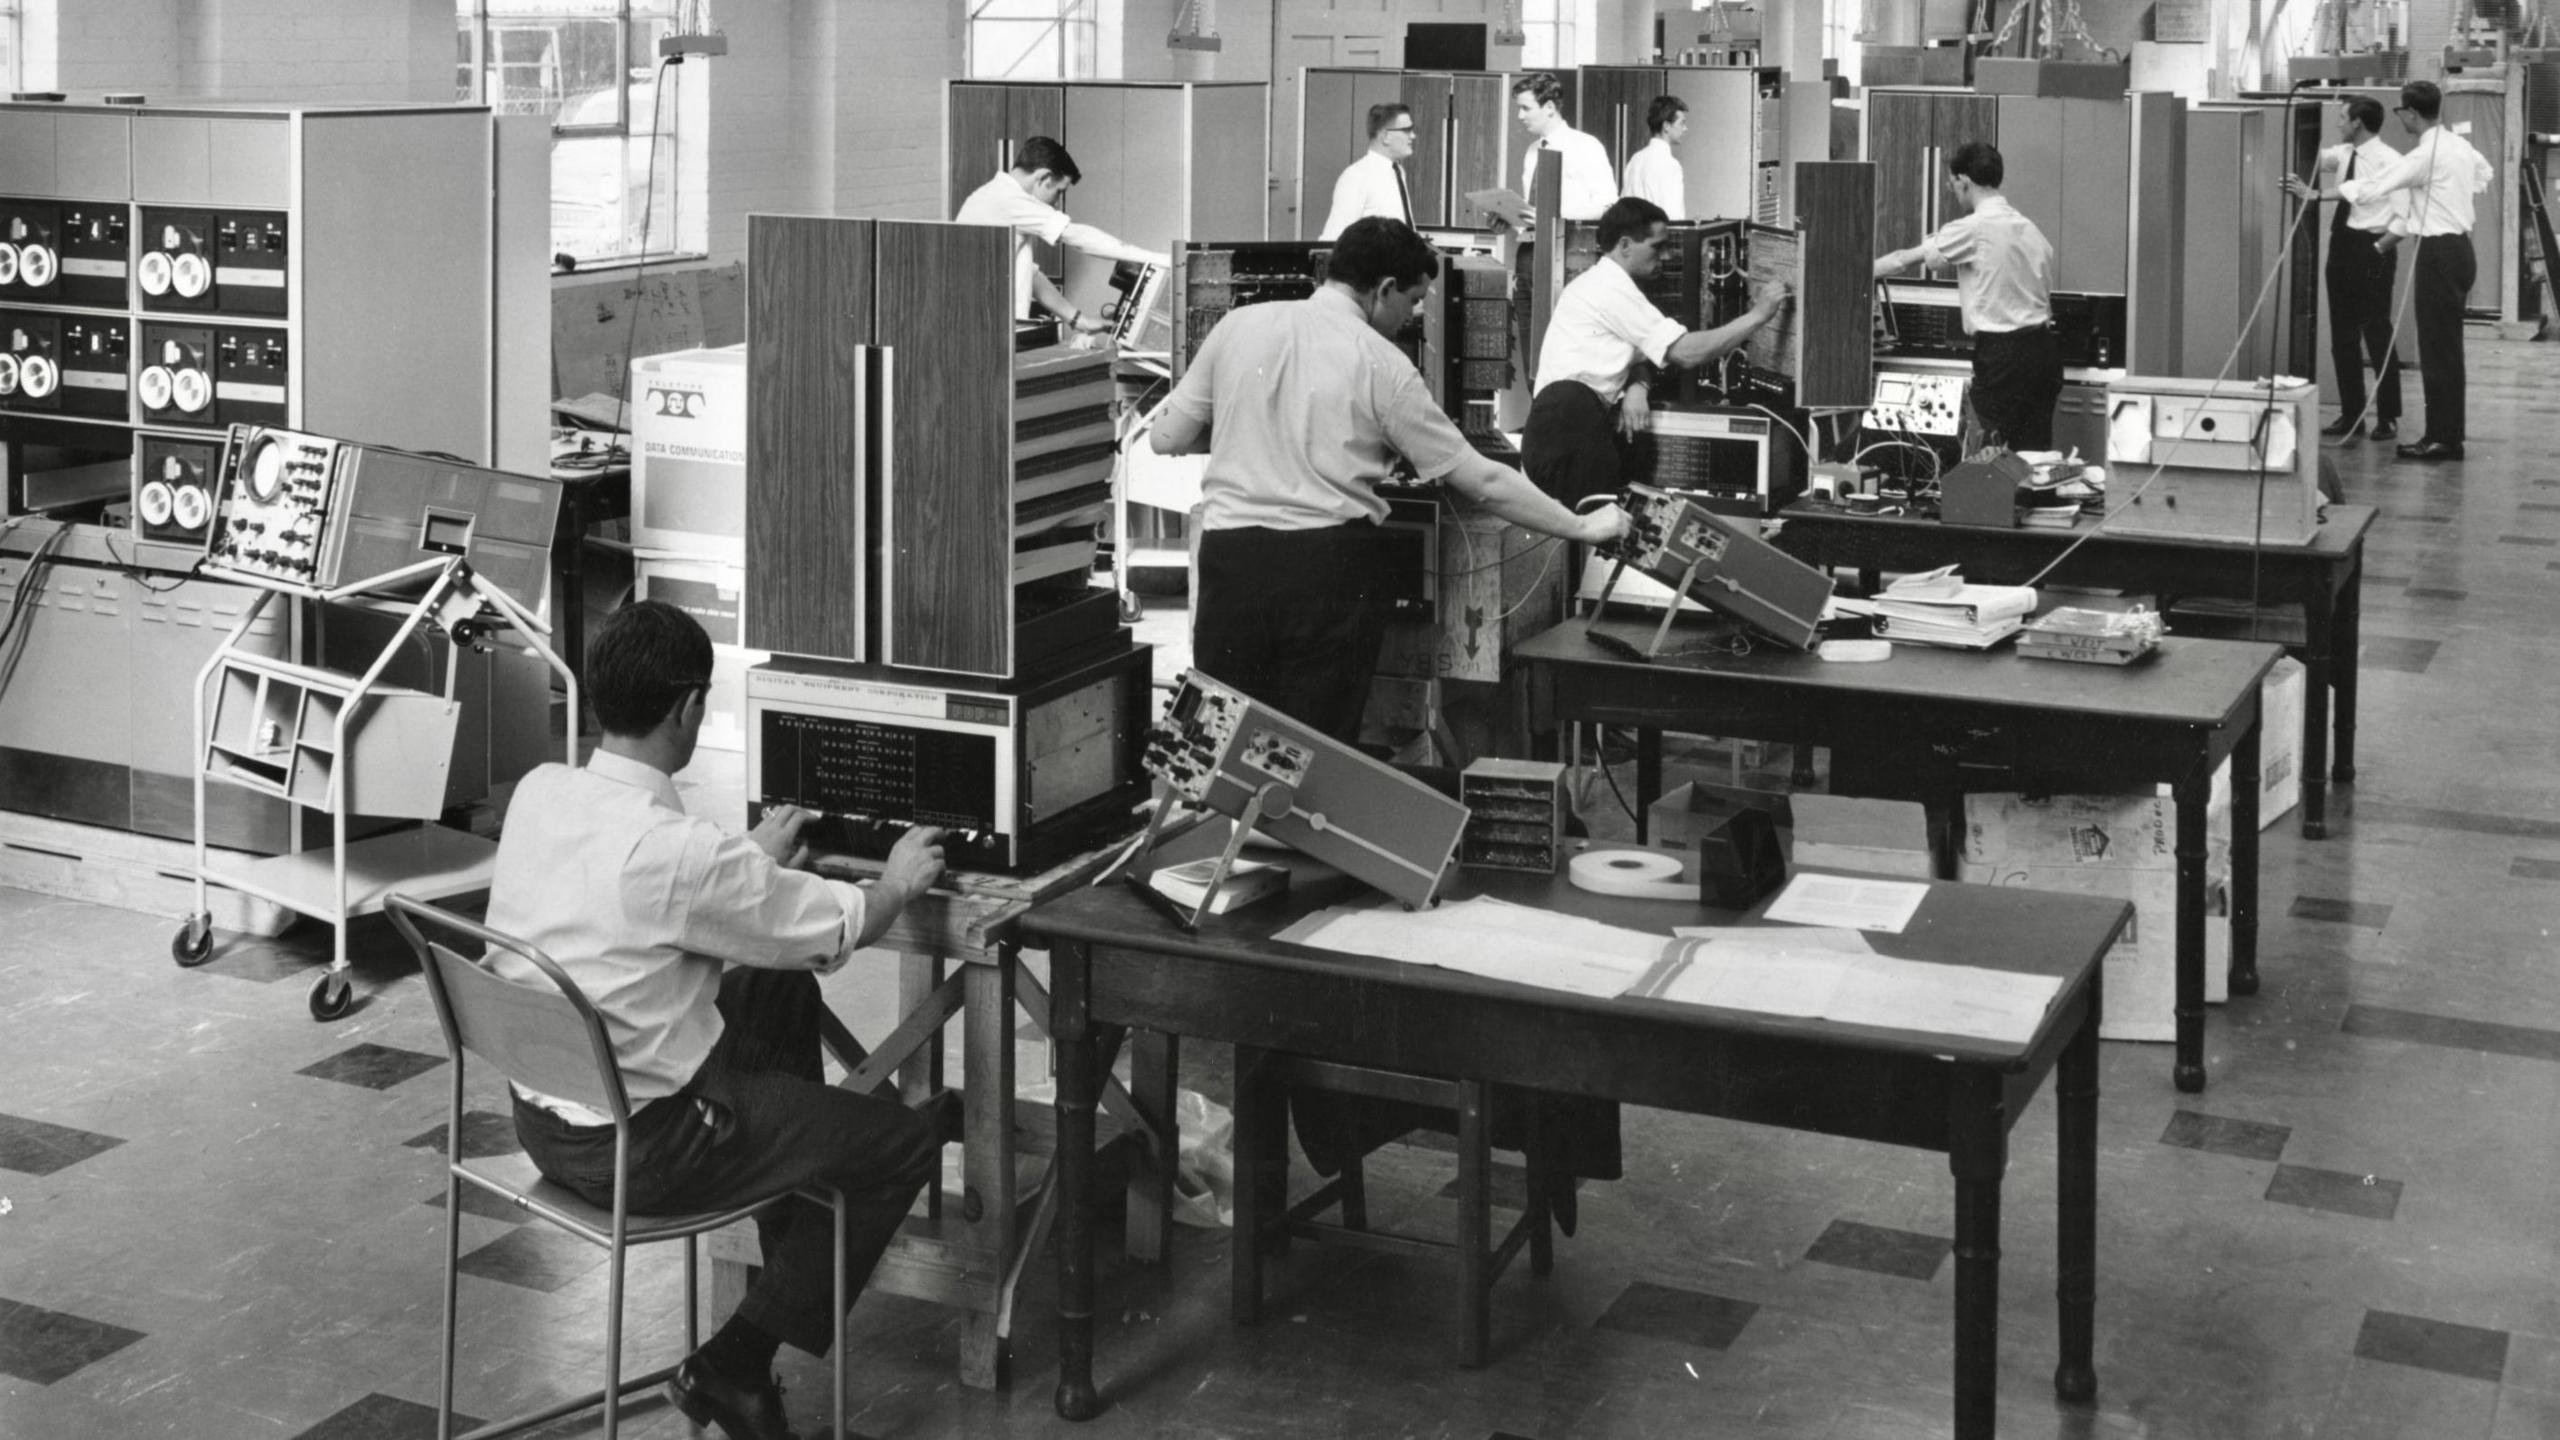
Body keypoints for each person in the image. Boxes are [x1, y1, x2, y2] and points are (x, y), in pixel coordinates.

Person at [489, 600, 951, 1440]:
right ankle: (732, 1365)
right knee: (905, 1143)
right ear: (689, 709)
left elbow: (640, 902)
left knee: (778, 995)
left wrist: (746, 864)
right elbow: (838, 927)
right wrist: (894, 881)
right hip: (645, 1148)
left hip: (544, 1117)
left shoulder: (541, 791)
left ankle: (794, 1232)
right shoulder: (681, 854)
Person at [1153, 215, 1628, 742]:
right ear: (1383, 290)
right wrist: (1582, 527)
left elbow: (1167, 438)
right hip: (1324, 569)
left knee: (1220, 743)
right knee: (1310, 751)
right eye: (1414, 299)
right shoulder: (1383, 363)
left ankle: (1236, 826)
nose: (1415, 313)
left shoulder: (1236, 327)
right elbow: (1484, 482)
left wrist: (1252, 431)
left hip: (1231, 561)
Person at [1524, 196, 1790, 507]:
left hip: (1572, 425)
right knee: (1595, 528)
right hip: (1566, 432)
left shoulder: (1601, 284)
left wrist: (1638, 385)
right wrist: (1759, 315)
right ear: (1625, 246)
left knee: (1603, 527)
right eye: (1657, 246)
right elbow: (1687, 353)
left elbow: (1629, 353)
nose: (1665, 255)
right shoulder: (1610, 289)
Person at [1872, 140, 2061, 453]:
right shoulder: (2029, 229)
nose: (1951, 189)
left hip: (2003, 357)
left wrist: (1852, 274)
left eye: (1951, 183)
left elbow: (1903, 259)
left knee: (1992, 457)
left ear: (1963, 181)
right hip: (2043, 354)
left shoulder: (1974, 227)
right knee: (2034, 457)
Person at [2337, 79, 2492, 462]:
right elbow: (2483, 176)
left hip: (2438, 252)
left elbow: (2376, 187)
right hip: (2459, 248)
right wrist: (2445, 196)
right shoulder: (2459, 146)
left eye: (2401, 112)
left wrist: (2337, 191)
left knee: (2437, 352)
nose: (2400, 118)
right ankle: (2446, 435)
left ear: (2410, 113)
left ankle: (2442, 440)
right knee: (2447, 351)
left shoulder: (2424, 156)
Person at [954, 135, 1169, 335]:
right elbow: (1078, 237)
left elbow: (1029, 274)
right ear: (1043, 178)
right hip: (986, 328)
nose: (1057, 203)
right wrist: (1161, 260)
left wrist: (1079, 320)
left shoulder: (990, 196)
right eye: (1058, 191)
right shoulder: (1007, 199)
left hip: (981, 323)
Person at [2283, 96, 2407, 442]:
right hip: (2342, 246)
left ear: (2358, 123)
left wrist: (2378, 250)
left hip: (2373, 248)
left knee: (2377, 333)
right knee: (2342, 336)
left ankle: (2388, 416)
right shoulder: (2345, 153)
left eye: (2342, 118)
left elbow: (2402, 216)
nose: (2337, 123)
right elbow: (2312, 156)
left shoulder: (2390, 161)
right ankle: (2352, 413)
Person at [1510, 72, 1615, 223]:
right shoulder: (1532, 151)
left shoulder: (1587, 146)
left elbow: (1608, 206)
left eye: (1526, 108)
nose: (1520, 116)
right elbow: (1533, 212)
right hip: (1531, 243)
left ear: (1549, 107)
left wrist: (1554, 216)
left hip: (1568, 243)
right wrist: (1509, 222)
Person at [1318, 102, 1419, 240]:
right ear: (1385, 136)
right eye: (1407, 130)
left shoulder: (1398, 171)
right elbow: (1334, 238)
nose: (1413, 136)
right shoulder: (1356, 176)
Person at [1619, 95, 1689, 219]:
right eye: (1682, 123)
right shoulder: (1671, 165)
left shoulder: (1635, 159)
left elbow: (1623, 206)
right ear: (1666, 126)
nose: (1685, 129)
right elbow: (1674, 218)